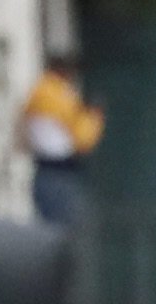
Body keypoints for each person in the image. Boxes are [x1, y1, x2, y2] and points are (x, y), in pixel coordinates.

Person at [23, 54, 103, 230]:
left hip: (45, 171)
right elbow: (83, 140)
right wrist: (95, 116)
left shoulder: (40, 91)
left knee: (50, 227)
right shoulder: (57, 95)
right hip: (59, 173)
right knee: (65, 231)